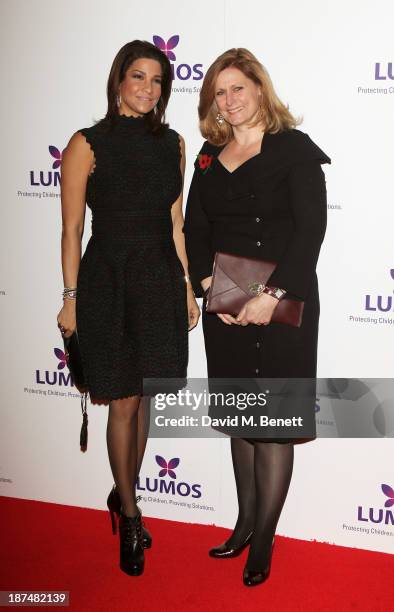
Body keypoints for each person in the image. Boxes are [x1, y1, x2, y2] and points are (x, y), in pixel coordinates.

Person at [184, 48, 330, 587]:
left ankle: (264, 538)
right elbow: (195, 227)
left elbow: (310, 231)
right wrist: (207, 286)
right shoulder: (208, 155)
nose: (229, 100)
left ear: (259, 89)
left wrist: (271, 294)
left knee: (271, 428)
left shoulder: (294, 151)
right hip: (224, 297)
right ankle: (244, 523)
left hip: (282, 300)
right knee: (241, 423)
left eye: (238, 88)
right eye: (219, 93)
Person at [57, 40, 200, 577]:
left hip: (160, 279)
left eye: (158, 80)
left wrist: (186, 287)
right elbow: (71, 229)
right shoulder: (86, 144)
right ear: (119, 80)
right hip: (108, 281)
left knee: (145, 399)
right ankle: (132, 513)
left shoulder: (174, 144)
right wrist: (70, 299)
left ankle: (124, 492)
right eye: (138, 77)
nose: (148, 88)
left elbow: (176, 224)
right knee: (122, 401)